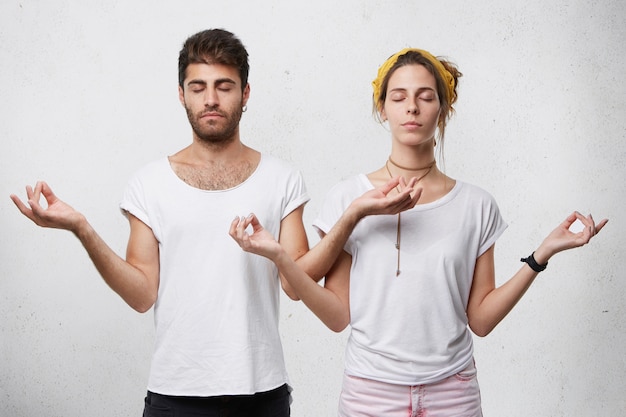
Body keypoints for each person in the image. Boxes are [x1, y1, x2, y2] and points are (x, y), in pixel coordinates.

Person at [10, 29, 419, 416]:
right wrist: (81, 227)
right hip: (176, 395)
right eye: (198, 87)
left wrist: (350, 215)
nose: (210, 98)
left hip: (262, 394)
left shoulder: (282, 178)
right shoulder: (148, 184)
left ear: (245, 94)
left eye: (223, 86)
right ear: (181, 94)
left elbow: (295, 286)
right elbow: (141, 294)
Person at [229, 48, 608, 416]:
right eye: (399, 97)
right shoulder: (348, 196)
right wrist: (301, 243)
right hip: (370, 393)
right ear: (383, 108)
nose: (412, 107)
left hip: (453, 393)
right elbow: (336, 316)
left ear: (442, 109)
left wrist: (541, 255)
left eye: (426, 97)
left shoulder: (476, 204)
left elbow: (480, 320)